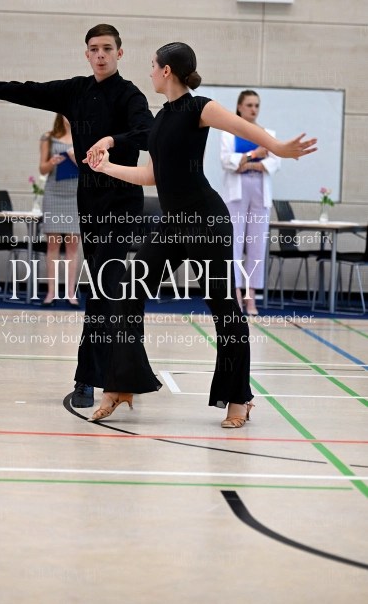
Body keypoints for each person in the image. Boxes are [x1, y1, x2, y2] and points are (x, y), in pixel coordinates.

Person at [84, 42, 316, 426]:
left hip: (207, 221)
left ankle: (239, 398)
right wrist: (106, 168)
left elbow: (243, 128)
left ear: (167, 71)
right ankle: (121, 385)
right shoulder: (161, 118)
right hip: (172, 225)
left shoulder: (199, 107)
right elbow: (151, 176)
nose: (150, 71)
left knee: (223, 308)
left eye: (153, 65)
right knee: (127, 290)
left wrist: (278, 147)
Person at [0, 23, 153, 408]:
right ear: (86, 54)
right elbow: (26, 90)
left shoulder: (130, 94)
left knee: (103, 288)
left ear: (120, 53)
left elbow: (146, 133)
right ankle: (124, 375)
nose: (100, 55)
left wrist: (110, 140)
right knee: (107, 290)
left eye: (107, 48)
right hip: (89, 199)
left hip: (122, 202)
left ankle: (89, 379)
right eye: (94, 49)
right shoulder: (75, 90)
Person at [220, 90, 281, 315]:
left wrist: (247, 163)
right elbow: (227, 162)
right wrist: (255, 154)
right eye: (249, 105)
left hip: (260, 192)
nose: (253, 109)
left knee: (256, 245)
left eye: (256, 105)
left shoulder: (268, 134)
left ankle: (251, 296)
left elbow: (275, 162)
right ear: (239, 107)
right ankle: (236, 294)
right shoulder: (228, 133)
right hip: (236, 193)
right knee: (234, 244)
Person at [39, 113, 80, 307]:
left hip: (76, 196)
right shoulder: (48, 137)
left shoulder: (84, 137)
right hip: (54, 194)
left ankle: (71, 293)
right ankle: (51, 293)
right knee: (53, 246)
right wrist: (52, 162)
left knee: (72, 247)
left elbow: (91, 167)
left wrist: (74, 158)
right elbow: (42, 169)